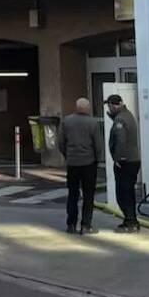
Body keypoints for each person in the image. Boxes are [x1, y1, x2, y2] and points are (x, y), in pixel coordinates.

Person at [58, 97, 103, 235]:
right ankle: (86, 225)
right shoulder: (93, 123)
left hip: (72, 163)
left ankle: (71, 224)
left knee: (73, 194)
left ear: (76, 107)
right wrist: (97, 159)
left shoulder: (66, 121)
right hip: (89, 163)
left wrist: (67, 155)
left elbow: (60, 142)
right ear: (87, 108)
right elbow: (98, 145)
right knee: (88, 195)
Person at [105, 94, 141, 233]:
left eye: (109, 106)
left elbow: (120, 141)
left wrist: (118, 159)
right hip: (132, 160)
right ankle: (130, 220)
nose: (109, 108)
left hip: (126, 162)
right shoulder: (128, 115)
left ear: (115, 105)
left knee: (123, 193)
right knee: (128, 192)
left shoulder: (120, 119)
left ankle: (130, 221)